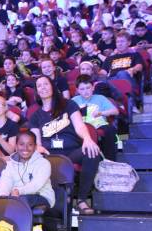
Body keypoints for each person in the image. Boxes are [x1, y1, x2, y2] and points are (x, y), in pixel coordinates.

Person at [28, 76, 100, 215]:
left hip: (71, 151)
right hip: (50, 155)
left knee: (91, 152)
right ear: (36, 91)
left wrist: (87, 139)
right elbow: (35, 139)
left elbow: (80, 126)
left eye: (46, 84)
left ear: (52, 87)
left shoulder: (68, 105)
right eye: (39, 86)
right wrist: (38, 146)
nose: (43, 87)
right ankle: (55, 203)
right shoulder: (35, 116)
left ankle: (81, 199)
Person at [0, 131, 55, 211]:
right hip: (16, 196)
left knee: (21, 201)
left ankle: (12, 222)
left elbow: (36, 185)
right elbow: (5, 181)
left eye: (30, 145)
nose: (25, 148)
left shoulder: (43, 163)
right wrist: (3, 196)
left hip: (41, 196)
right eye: (21, 144)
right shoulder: (10, 164)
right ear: (16, 146)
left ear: (35, 147)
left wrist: (18, 191)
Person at [72, 75, 119, 161]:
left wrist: (101, 113)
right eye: (82, 89)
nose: (85, 91)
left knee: (110, 130)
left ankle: (110, 161)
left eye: (88, 88)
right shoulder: (74, 101)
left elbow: (115, 111)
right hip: (81, 127)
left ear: (93, 87)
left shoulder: (100, 98)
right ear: (77, 90)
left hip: (98, 125)